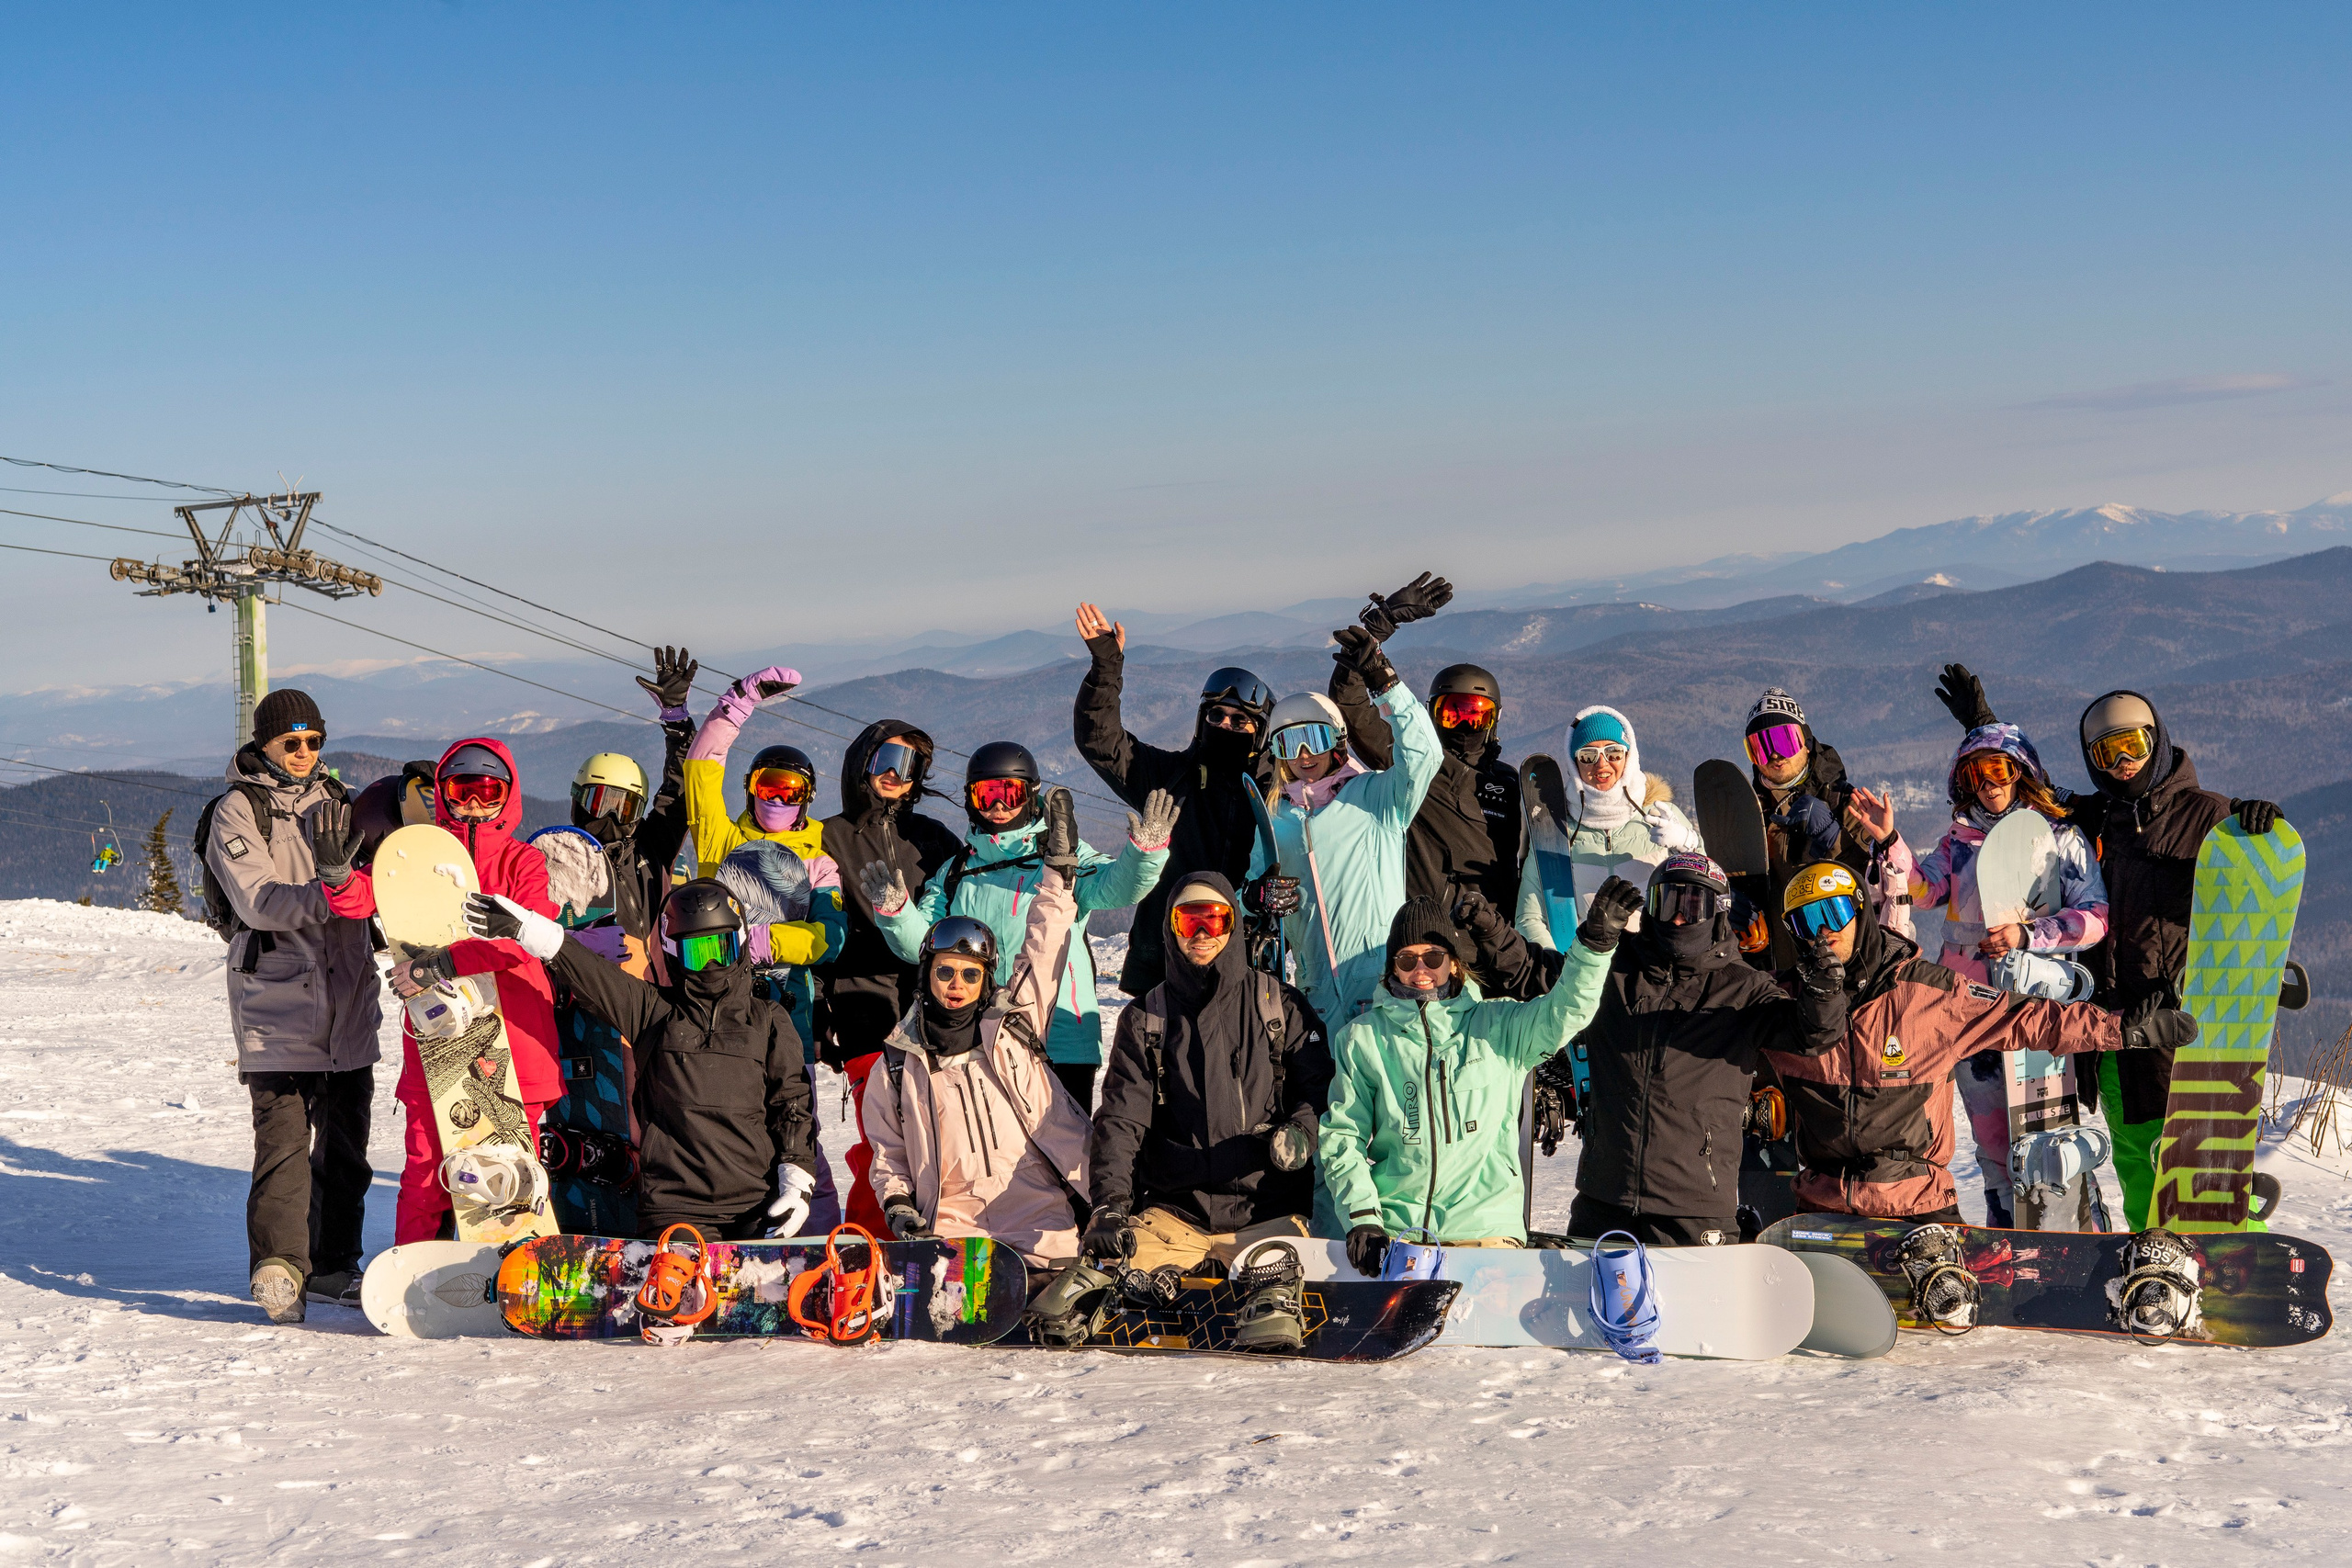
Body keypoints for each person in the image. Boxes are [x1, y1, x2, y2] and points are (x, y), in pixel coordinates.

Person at [1927, 666, 2278, 1224]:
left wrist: (2254, 824)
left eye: (2133, 745)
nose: (2123, 762)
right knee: (2137, 1162)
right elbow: (2026, 797)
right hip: (2113, 1026)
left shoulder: (2207, 814)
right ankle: (2149, 1258)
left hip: (2178, 1023)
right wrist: (1985, 729)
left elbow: (2247, 903)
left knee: (2195, 1159)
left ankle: (2235, 1244)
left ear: (2158, 741)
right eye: (2106, 753)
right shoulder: (2096, 817)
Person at [1761, 860, 2196, 1223]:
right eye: (1806, 921)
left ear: (1860, 911)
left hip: (1916, 1207)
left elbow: (2025, 1017)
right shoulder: (1780, 1006)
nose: (1823, 932)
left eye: (1834, 911)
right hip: (1821, 1211)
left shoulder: (1927, 995)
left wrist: (2118, 1029)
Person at [1844, 719, 2109, 1226]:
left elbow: (2095, 918)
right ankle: (2005, 1236)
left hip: (2034, 1008)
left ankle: (2075, 1231)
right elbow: (1924, 891)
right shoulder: (1959, 842)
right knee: (1992, 1146)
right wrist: (1891, 840)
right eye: (1974, 776)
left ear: (2022, 771)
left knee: (2048, 1143)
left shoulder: (2059, 839)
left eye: (1998, 770)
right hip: (1968, 1010)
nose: (1987, 784)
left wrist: (2029, 936)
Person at [467, 880, 820, 1241]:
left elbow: (791, 1102)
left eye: (721, 948)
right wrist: (527, 929)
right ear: (673, 953)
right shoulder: (653, 1011)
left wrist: (797, 1176)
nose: (712, 964)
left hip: (756, 1205)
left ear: (740, 943)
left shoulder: (766, 1019)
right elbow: (592, 974)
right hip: (676, 1209)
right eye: (698, 953)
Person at [320, 737, 563, 1246]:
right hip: (439, 1039)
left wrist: (446, 963)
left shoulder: (523, 863)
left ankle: (513, 1267)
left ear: (508, 795)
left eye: (487, 791)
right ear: (442, 793)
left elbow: (523, 942)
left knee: (506, 1171)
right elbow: (363, 898)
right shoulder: (418, 853)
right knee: (427, 1172)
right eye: (460, 790)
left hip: (513, 1040)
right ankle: (418, 1269)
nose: (473, 804)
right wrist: (337, 876)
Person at [856, 786, 1098, 1270]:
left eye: (971, 975)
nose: (957, 985)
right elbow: (889, 1153)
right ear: (927, 976)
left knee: (1064, 1300)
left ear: (987, 981)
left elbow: (1044, 946)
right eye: (945, 971)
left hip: (1039, 1217)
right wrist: (898, 1205)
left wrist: (1057, 876)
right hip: (952, 1225)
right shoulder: (899, 1064)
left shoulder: (1013, 1028)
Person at [1556, 852, 1846, 1246]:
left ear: (1718, 914)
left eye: (1693, 907)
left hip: (1694, 1208)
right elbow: (1535, 978)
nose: (1678, 919)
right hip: (1603, 1198)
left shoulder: (1743, 988)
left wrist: (1823, 994)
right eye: (1668, 903)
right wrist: (1588, 945)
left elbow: (1812, 1035)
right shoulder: (1613, 967)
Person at [202, 688, 381, 1324]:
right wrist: (335, 891)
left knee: (346, 1150)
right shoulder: (238, 810)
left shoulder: (342, 802)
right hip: (277, 1006)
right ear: (265, 743)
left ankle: (333, 1265)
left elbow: (383, 879)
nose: (304, 752)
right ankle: (280, 1268)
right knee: (283, 1147)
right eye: (291, 742)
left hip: (349, 1003)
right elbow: (259, 901)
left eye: (313, 741)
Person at [1321, 888, 1617, 1269]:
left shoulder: (1498, 1025)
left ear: (1453, 963)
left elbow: (1567, 1010)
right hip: (1400, 1238)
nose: (1421, 970)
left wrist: (1593, 948)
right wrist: (1363, 1217)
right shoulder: (1363, 1038)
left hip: (1487, 1233)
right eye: (1407, 959)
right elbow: (1343, 1135)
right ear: (1393, 967)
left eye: (1433, 956)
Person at [874, 741, 1171, 1111]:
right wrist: (897, 913)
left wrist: (1144, 853)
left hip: (1061, 1037)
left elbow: (1116, 888)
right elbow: (924, 946)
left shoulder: (1062, 855)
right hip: (981, 1034)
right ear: (971, 800)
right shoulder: (956, 873)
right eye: (986, 795)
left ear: (1030, 795)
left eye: (1010, 794)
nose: (998, 806)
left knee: (1063, 1141)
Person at [1082, 872, 1334, 1287]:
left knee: (1283, 1304)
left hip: (1266, 1215)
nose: (1201, 934)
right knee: (1113, 1290)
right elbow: (1121, 1120)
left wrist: (1302, 1131)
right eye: (1188, 921)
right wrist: (1109, 1204)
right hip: (1173, 1219)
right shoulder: (1146, 1018)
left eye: (1214, 919)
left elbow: (1320, 1090)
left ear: (1233, 925)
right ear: (1171, 928)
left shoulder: (1280, 1006)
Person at [1072, 600, 1276, 996]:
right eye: (1215, 716)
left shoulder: (1271, 797)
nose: (1225, 725)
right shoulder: (1169, 778)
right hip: (1163, 961)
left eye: (1239, 721)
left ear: (1259, 733)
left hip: (1244, 959)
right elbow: (1101, 741)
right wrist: (1106, 667)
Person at [1248, 626, 1442, 1025]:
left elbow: (1424, 755)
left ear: (1337, 740)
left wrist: (1385, 684)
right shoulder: (1275, 819)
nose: (1303, 755)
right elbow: (1250, 887)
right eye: (1289, 743)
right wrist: (1253, 898)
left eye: (1314, 739)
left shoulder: (1377, 798)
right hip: (1316, 997)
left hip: (1382, 988)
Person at [820, 716, 964, 1228]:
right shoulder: (830, 837)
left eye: (910, 766)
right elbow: (815, 927)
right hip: (862, 1007)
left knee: (940, 1137)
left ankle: (937, 1232)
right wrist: (820, 1012)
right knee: (880, 1143)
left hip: (932, 1013)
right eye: (886, 760)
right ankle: (868, 1238)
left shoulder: (934, 839)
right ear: (863, 761)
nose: (895, 775)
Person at [1327, 574, 1520, 912]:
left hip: (1498, 933)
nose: (1464, 724)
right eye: (1451, 713)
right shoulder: (1414, 764)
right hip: (1428, 928)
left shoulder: (1510, 783)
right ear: (1431, 714)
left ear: (1495, 718)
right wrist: (1381, 623)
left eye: (1476, 714)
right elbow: (1350, 706)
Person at [1517, 705, 1703, 947]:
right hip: (1582, 963)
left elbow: (1709, 892)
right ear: (1574, 763)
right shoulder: (1554, 830)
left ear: (1629, 756)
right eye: (1588, 756)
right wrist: (1555, 962)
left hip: (1651, 963)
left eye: (1614, 753)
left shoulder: (1662, 816)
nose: (1602, 765)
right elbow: (1529, 917)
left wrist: (1688, 846)